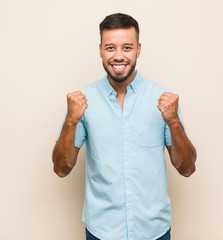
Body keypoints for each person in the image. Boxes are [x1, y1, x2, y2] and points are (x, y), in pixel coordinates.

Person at [52, 13, 196, 240]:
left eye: (127, 48)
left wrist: (174, 122)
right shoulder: (82, 101)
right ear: (100, 50)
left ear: (138, 49)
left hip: (154, 231)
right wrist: (71, 121)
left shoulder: (163, 99)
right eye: (110, 48)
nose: (118, 56)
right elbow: (61, 169)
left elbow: (187, 168)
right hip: (102, 231)